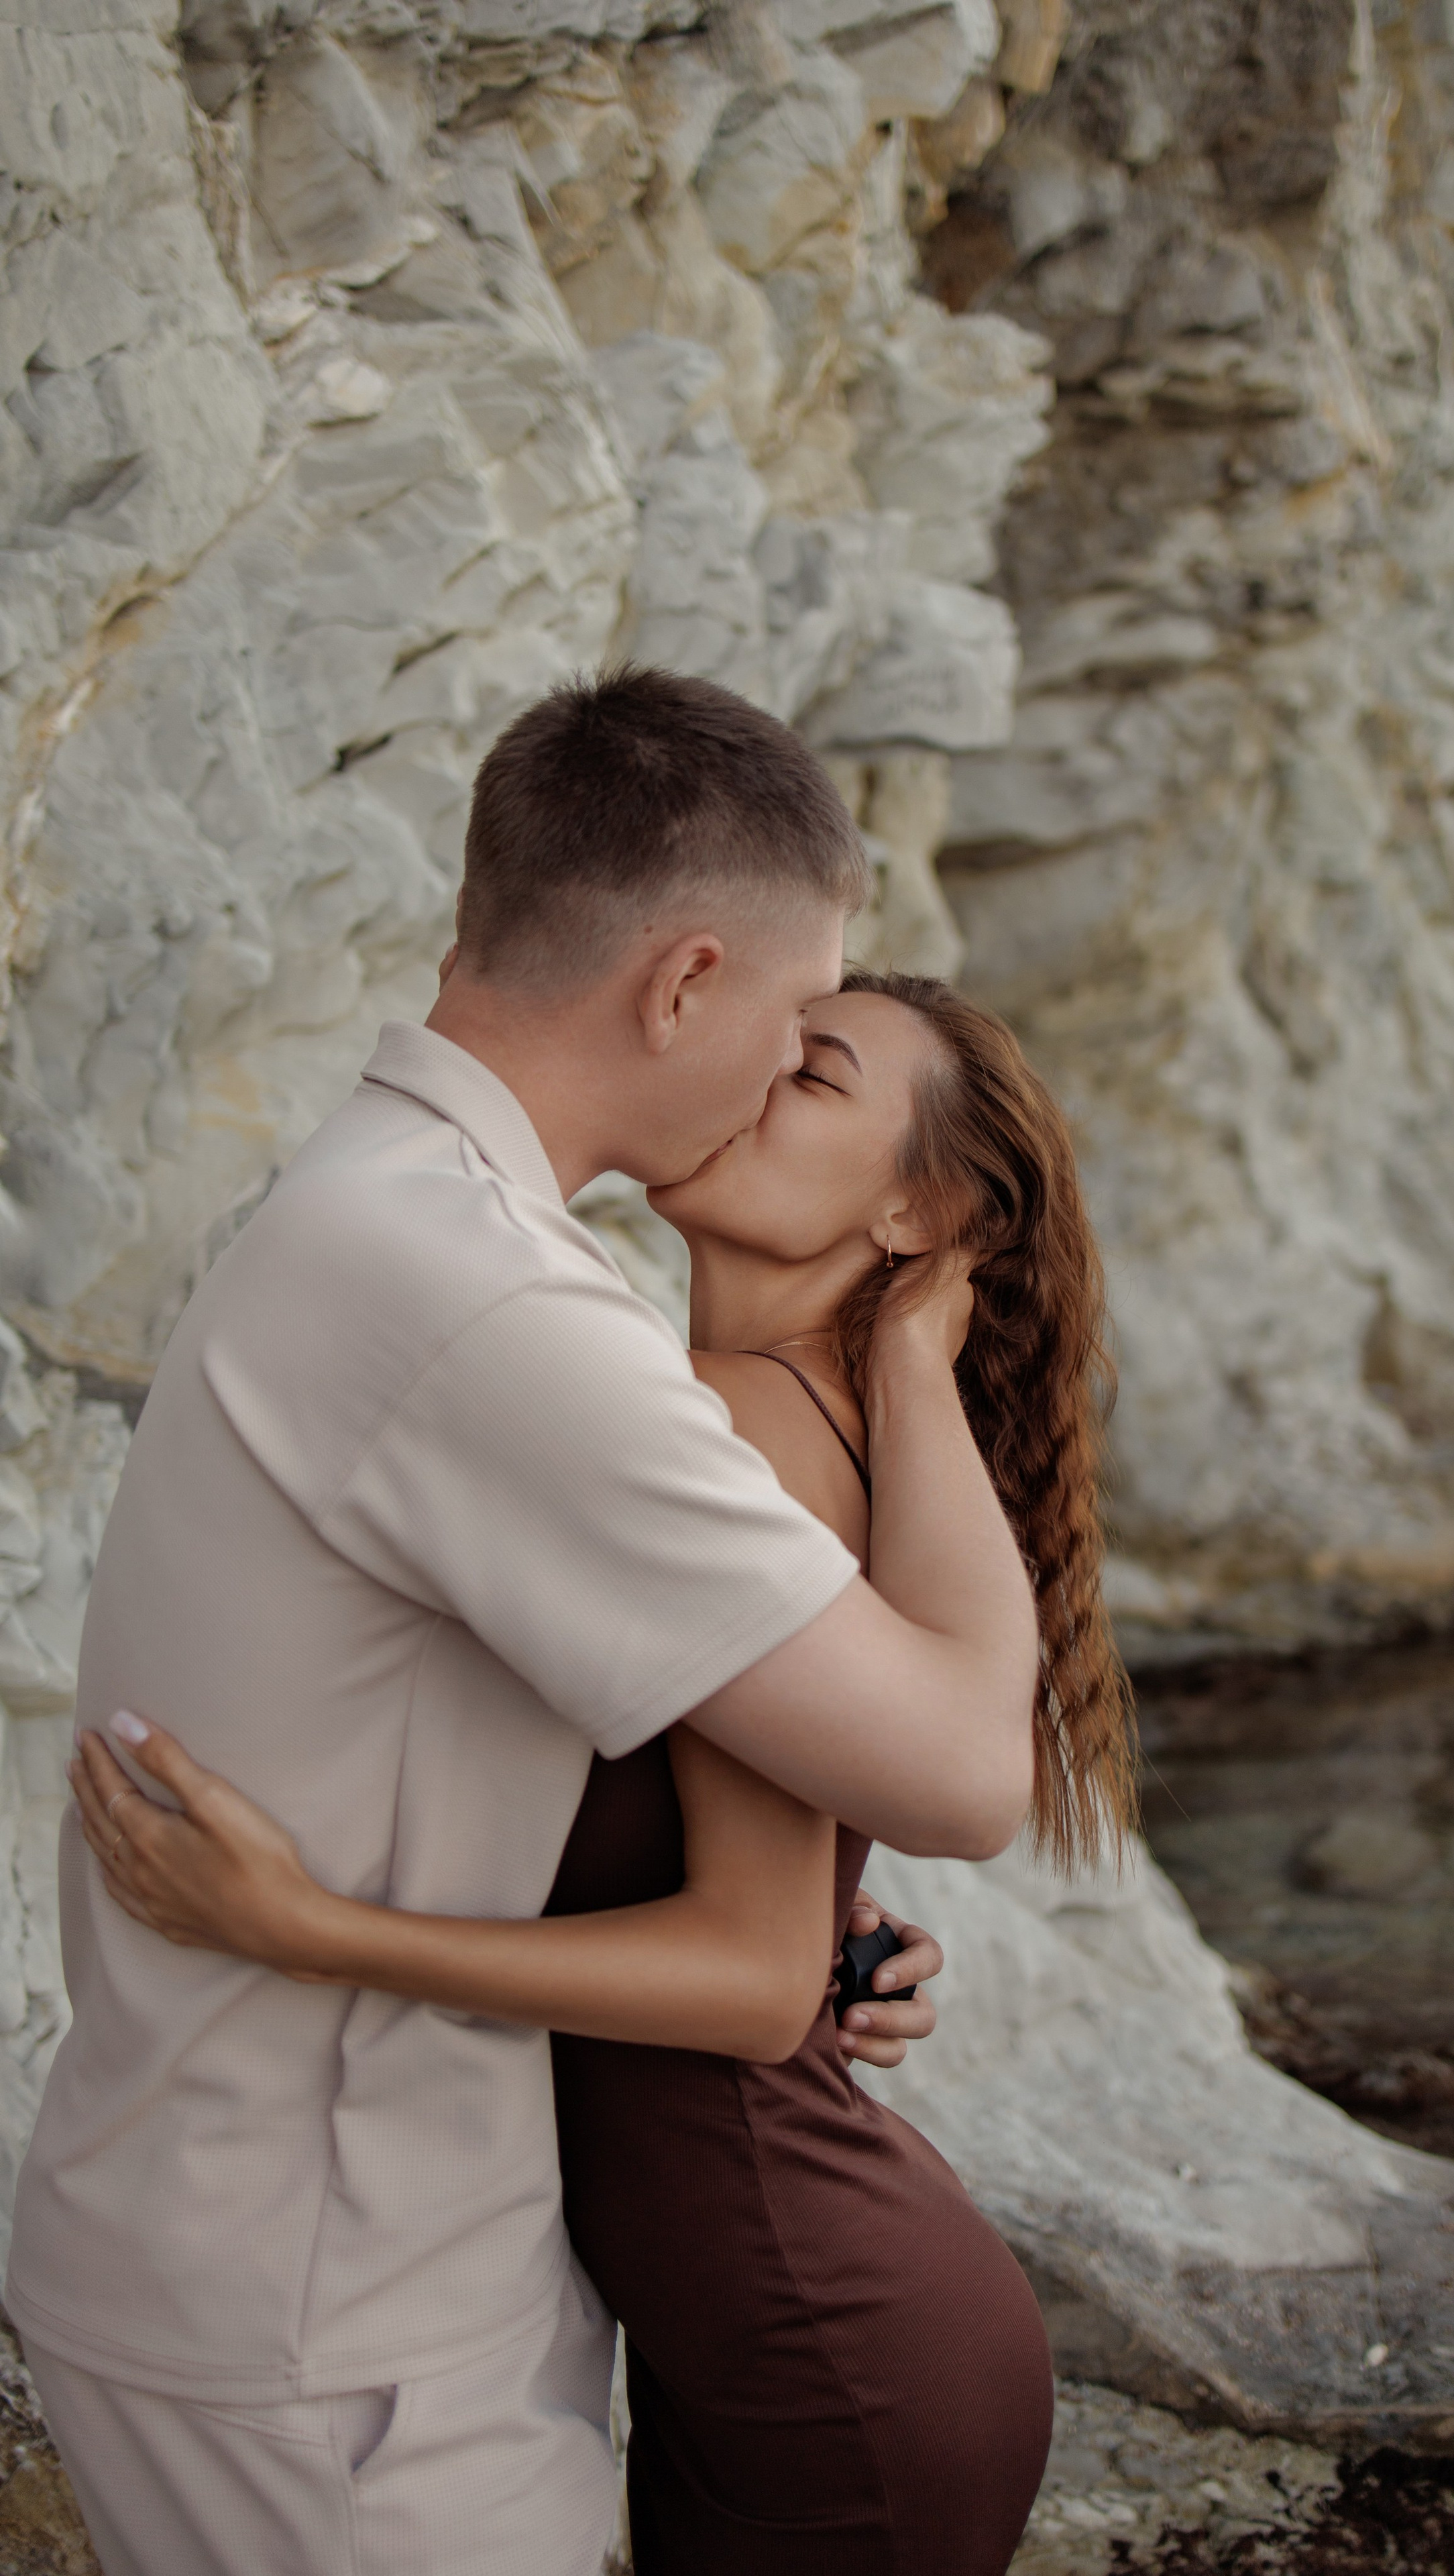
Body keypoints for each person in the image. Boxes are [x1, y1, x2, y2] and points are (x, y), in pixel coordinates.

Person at [8, 672, 1045, 2576]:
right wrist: (915, 1344)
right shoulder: (488, 1304)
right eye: (797, 1017)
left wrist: (814, 1933)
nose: (780, 1065)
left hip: (335, 2269)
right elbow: (977, 1775)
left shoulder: (387, 1214)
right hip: (328, 2316)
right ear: (685, 983)